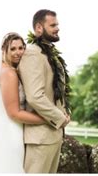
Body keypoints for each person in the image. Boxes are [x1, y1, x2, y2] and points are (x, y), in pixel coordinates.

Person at [0, 33, 46, 173]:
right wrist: (45, 119)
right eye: (13, 49)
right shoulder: (9, 73)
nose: (18, 53)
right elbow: (14, 113)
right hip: (10, 133)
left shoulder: (7, 70)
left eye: (21, 48)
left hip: (7, 129)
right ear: (4, 50)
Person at [18, 9, 71, 173]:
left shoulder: (48, 54)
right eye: (53, 25)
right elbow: (35, 96)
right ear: (39, 28)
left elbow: (55, 91)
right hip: (40, 138)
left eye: (57, 24)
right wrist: (60, 118)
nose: (57, 28)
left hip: (54, 135)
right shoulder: (32, 54)